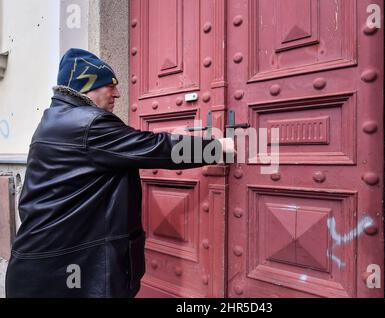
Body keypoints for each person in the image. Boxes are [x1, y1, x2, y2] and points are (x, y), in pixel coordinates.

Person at [5, 48, 233, 298]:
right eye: (109, 85)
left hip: (41, 266)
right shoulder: (89, 123)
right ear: (86, 87)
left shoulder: (52, 121)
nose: (118, 93)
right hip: (68, 271)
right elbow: (156, 147)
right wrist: (217, 148)